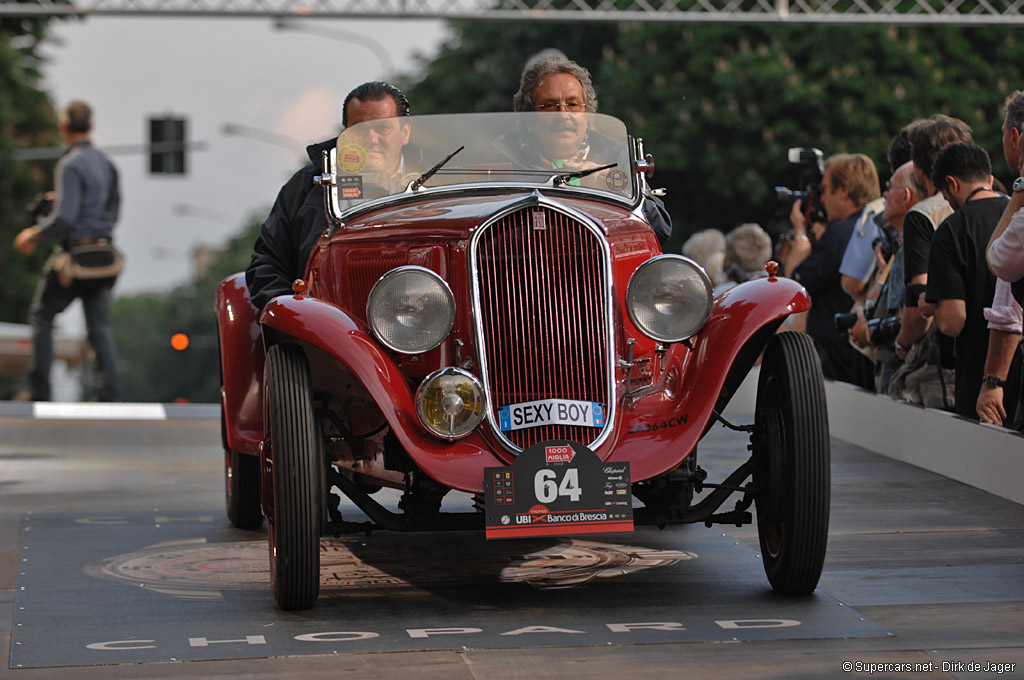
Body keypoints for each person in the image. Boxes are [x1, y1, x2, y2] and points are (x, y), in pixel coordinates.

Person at [246, 81, 413, 311]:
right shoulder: (308, 185)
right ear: (345, 134)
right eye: (359, 129)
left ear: (405, 132)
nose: (372, 139)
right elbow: (266, 264)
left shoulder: (441, 182)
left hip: (421, 317)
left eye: (383, 128)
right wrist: (296, 316)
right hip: (327, 326)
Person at [497, 55, 673, 246]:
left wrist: (608, 186)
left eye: (573, 105)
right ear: (528, 119)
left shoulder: (617, 156)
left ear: (587, 115)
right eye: (549, 106)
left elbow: (661, 229)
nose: (563, 115)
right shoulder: (504, 161)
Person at [12, 101, 121, 402]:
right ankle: (109, 392)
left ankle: (39, 389)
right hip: (104, 254)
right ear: (91, 125)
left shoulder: (70, 163)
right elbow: (112, 209)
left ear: (63, 127)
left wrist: (35, 233)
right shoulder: (107, 163)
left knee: (43, 314)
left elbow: (67, 218)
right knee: (99, 323)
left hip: (76, 257)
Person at [920, 142, 1018, 422]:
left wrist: (931, 304)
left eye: (944, 194)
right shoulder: (1017, 217)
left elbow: (953, 321)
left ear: (951, 183)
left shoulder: (951, 231)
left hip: (980, 380)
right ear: (988, 177)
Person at [890, 114, 972, 409]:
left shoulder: (923, 215)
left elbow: (919, 306)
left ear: (921, 169)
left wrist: (901, 344)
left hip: (942, 363)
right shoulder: (999, 200)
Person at [783, 153, 880, 385]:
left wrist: (799, 232)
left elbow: (795, 281)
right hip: (859, 353)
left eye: (825, 189)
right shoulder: (873, 226)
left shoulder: (841, 233)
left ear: (844, 190)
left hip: (835, 358)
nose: (821, 199)